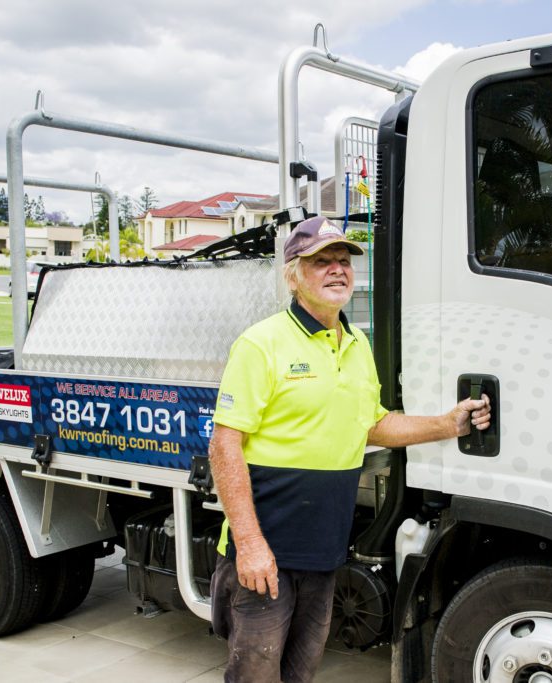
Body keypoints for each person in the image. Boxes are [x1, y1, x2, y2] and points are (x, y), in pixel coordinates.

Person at [208, 216, 491, 682]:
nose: (338, 269)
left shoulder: (357, 344)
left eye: (343, 261)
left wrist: (446, 424)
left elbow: (372, 424)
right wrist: (250, 543)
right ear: (294, 275)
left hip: (323, 554)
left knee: (301, 672)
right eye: (322, 261)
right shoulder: (262, 344)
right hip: (266, 559)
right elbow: (225, 442)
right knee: (255, 675)